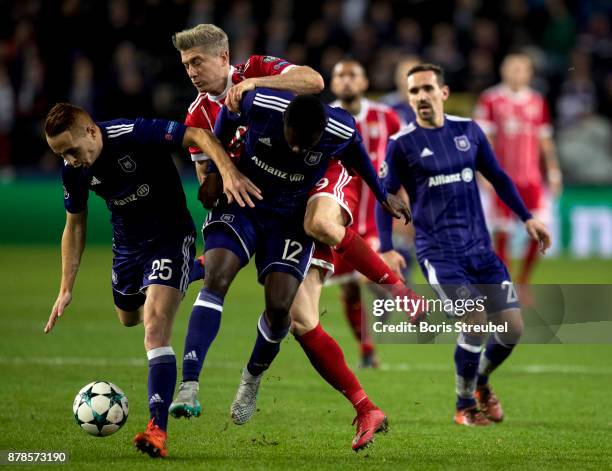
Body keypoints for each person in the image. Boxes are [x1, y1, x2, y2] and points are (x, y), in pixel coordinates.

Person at [181, 88, 409, 450]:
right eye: (295, 142)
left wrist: (383, 195)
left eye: (310, 145)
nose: (300, 151)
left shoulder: (341, 133)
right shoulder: (260, 104)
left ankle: (255, 377)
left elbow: (360, 159)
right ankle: (189, 383)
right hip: (249, 200)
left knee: (288, 313)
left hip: (292, 217)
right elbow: (227, 116)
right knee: (229, 282)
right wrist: (214, 170)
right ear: (284, 122)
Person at [42, 102, 259, 458]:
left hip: (170, 239)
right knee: (129, 317)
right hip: (127, 248)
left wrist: (226, 173)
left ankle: (157, 429)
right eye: (60, 155)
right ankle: (198, 268)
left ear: (92, 132)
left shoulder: (135, 132)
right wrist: (66, 288)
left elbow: (198, 134)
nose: (68, 160)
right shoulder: (74, 173)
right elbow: (74, 225)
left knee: (155, 328)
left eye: (71, 150)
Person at [376, 64, 551, 426]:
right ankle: (463, 403)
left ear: (443, 92)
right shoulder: (401, 144)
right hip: (439, 254)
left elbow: (498, 176)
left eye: (427, 89)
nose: (421, 97)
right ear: (409, 99)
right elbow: (385, 196)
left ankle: (482, 382)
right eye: (414, 92)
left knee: (513, 327)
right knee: (474, 317)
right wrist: (386, 247)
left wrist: (527, 217)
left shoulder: (468, 131)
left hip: (480, 249)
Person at [327, 59, 401, 367]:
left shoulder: (387, 118)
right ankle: (367, 350)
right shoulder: (323, 119)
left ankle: (396, 289)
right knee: (349, 293)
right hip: (338, 221)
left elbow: (401, 163)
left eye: (352, 75)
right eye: (339, 75)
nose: (346, 81)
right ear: (332, 84)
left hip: (374, 220)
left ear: (364, 82)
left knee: (367, 280)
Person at [474, 53, 562, 296]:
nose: (516, 73)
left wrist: (553, 172)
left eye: (521, 68)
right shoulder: (491, 99)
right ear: (503, 70)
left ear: (529, 73)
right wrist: (484, 172)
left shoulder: (537, 101)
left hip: (531, 179)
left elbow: (545, 141)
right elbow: (483, 140)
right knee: (502, 232)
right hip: (502, 180)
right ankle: (506, 286)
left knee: (540, 230)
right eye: (511, 67)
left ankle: (523, 281)